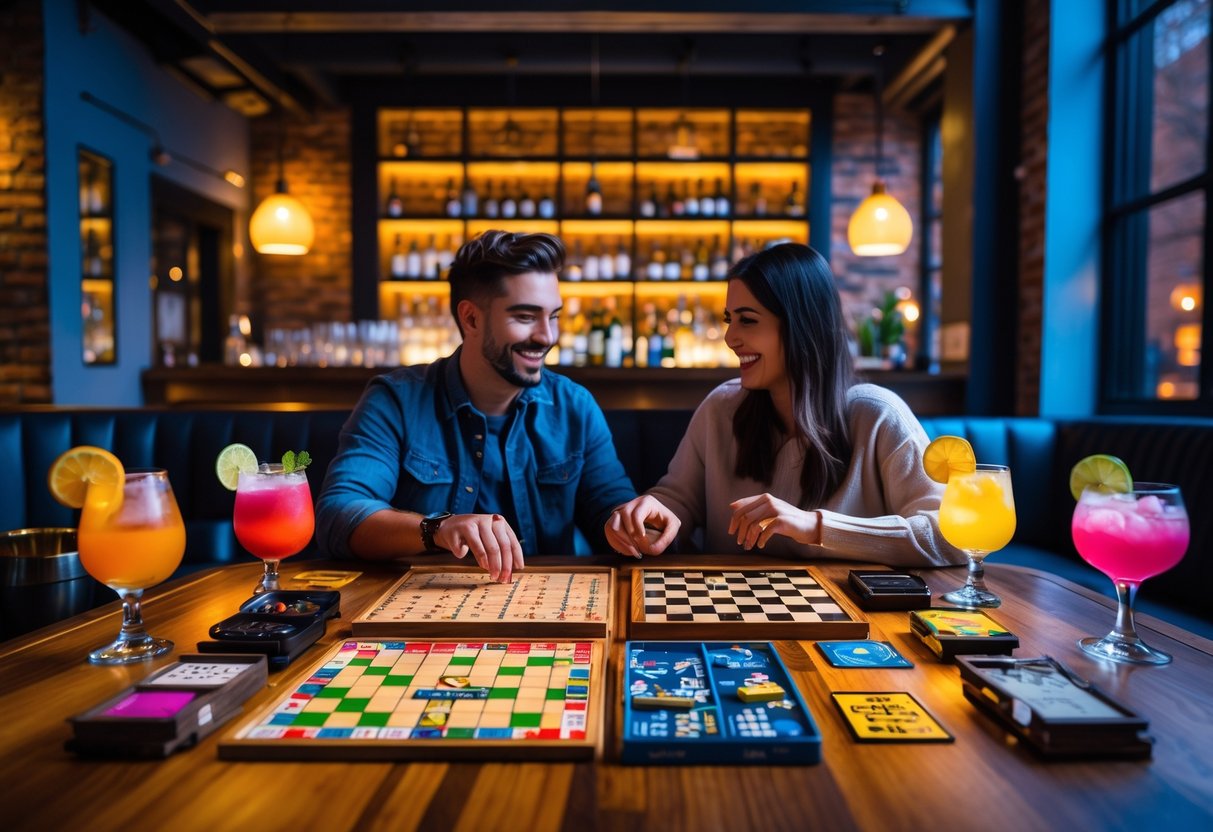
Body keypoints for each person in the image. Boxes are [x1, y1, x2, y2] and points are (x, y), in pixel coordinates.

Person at [605, 242, 965, 567]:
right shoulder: (721, 408)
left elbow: (951, 536)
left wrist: (815, 527)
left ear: (801, 326)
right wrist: (650, 518)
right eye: (730, 320)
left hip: (852, 630)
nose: (731, 338)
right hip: (728, 617)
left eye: (748, 320)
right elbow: (677, 500)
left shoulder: (877, 415)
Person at [317, 230, 636, 582]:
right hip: (421, 613)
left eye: (554, 316)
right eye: (526, 317)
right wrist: (436, 528)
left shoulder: (575, 407)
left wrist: (634, 523)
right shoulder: (395, 401)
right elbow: (340, 514)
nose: (547, 336)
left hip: (552, 609)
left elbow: (611, 508)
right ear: (470, 319)